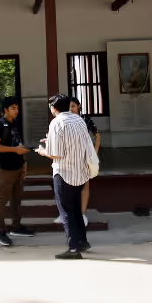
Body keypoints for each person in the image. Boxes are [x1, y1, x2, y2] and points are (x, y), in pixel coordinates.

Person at [36, 94, 99, 260]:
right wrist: (50, 141)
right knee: (76, 210)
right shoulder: (78, 120)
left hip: (64, 173)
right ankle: (83, 242)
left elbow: (55, 154)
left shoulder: (56, 122)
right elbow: (83, 142)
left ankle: (73, 248)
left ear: (54, 108)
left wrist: (42, 151)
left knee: (66, 212)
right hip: (80, 172)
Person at [0, 97, 36, 247]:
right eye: (13, 108)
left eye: (17, 107)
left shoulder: (15, 123)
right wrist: (14, 150)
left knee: (17, 198)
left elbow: (18, 143)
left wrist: (24, 162)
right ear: (6, 110)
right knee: (2, 199)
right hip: (5, 168)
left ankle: (16, 226)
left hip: (18, 166)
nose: (16, 110)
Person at [68, 98, 100, 227]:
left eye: (73, 106)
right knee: (70, 185)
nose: (71, 109)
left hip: (85, 155)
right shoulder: (66, 120)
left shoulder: (85, 119)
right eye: (69, 107)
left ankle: (82, 213)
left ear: (79, 106)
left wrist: (95, 152)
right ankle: (70, 213)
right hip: (70, 156)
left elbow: (97, 135)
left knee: (85, 185)